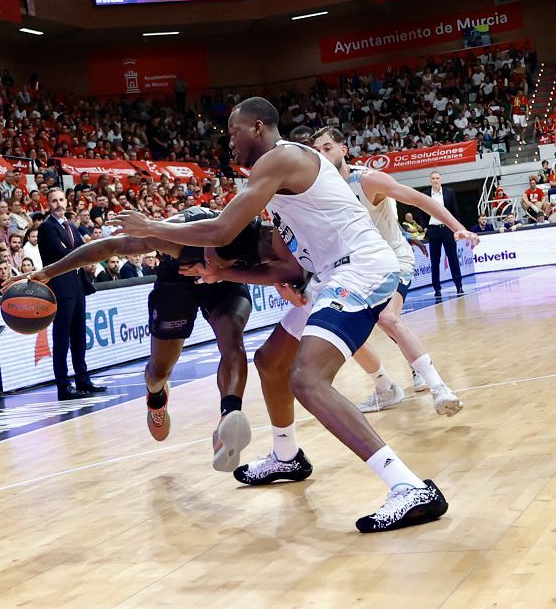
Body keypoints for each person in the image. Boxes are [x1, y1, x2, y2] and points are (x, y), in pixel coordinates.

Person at [115, 97, 448, 533]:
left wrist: (153, 228)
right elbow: (288, 269)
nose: (228, 142)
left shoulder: (279, 159)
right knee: (271, 362)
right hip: (330, 275)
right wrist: (225, 271)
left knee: (307, 378)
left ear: (256, 127)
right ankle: (287, 456)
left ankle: (408, 487)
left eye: (233, 132)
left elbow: (220, 230)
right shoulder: (282, 174)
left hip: (360, 268)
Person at [19, 207, 280, 470]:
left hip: (226, 283)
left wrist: (221, 273)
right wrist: (50, 271)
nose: (214, 264)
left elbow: (292, 270)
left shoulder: (267, 242)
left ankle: (228, 417)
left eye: (222, 262)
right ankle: (156, 396)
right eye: (212, 258)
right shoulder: (176, 234)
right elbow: (111, 246)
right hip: (176, 283)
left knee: (232, 336)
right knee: (159, 371)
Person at [313, 127, 475, 414]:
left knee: (388, 319)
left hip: (393, 260)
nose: (322, 154)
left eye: (327, 147)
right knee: (341, 327)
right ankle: (385, 388)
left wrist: (458, 228)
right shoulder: (323, 190)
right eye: (317, 151)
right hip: (360, 268)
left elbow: (419, 200)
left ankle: (440, 388)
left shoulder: (367, 180)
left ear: (343, 150)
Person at [38, 188, 101, 400]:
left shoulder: (70, 226)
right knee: (62, 337)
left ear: (66, 201)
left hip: (76, 284)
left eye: (61, 200)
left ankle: (83, 378)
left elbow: (74, 252)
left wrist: (77, 253)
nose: (58, 204)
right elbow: (63, 254)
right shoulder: (47, 228)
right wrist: (79, 253)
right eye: (54, 201)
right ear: (48, 204)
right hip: (61, 286)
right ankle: (63, 385)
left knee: (79, 335)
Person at [421, 171, 465, 299]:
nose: (435, 180)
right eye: (433, 178)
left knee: (453, 258)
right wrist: (425, 227)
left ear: (441, 179)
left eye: (437, 178)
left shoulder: (449, 192)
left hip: (447, 229)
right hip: (433, 230)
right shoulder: (425, 194)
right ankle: (437, 288)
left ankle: (459, 285)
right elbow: (421, 211)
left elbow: (455, 211)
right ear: (430, 180)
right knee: (435, 260)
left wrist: (456, 228)